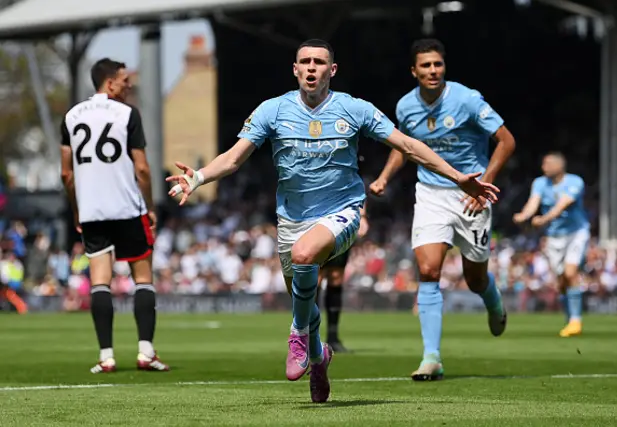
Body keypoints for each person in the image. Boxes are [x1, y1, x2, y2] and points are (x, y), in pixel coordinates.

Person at [166, 39, 500, 402]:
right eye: (305, 62)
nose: (312, 68)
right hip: (291, 218)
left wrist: (457, 176)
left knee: (305, 256)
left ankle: (296, 333)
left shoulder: (353, 109)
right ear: (295, 69)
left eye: (319, 62)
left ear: (332, 70)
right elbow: (233, 159)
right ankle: (318, 356)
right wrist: (197, 177)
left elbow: (406, 145)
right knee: (304, 295)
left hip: (343, 211)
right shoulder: (272, 111)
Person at [369, 38, 516, 381]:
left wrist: (484, 184)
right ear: (414, 71)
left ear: (444, 66)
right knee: (429, 270)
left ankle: (493, 301)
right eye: (425, 66)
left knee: (474, 278)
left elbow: (506, 140)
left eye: (437, 64)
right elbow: (404, 147)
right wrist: (384, 177)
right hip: (432, 194)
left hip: (471, 195)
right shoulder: (406, 106)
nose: (433, 71)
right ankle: (431, 357)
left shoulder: (466, 99)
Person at [60, 58, 169, 373]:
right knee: (143, 277)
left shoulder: (70, 116)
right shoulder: (127, 114)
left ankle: (106, 356)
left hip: (92, 209)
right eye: (124, 80)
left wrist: (77, 208)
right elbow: (143, 168)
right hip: (126, 206)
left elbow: (66, 174)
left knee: (100, 281)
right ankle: (145, 352)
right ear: (109, 83)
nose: (129, 85)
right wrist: (149, 206)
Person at [513, 152, 590, 337]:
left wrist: (544, 219)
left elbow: (563, 204)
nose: (543, 167)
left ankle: (575, 321)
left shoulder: (574, 182)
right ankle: (570, 317)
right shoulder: (539, 183)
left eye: (547, 164)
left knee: (571, 273)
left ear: (559, 166)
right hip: (554, 237)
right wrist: (524, 216)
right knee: (561, 281)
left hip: (576, 233)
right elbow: (533, 203)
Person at [317, 201, 369, 353]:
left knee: (336, 276)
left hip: (341, 221)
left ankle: (333, 337)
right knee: (316, 277)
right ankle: (308, 337)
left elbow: (354, 183)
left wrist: (363, 215)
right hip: (316, 218)